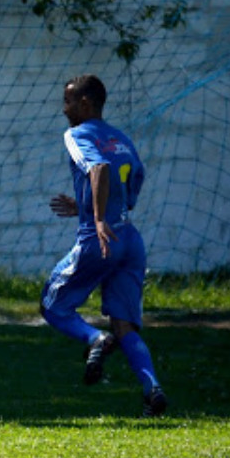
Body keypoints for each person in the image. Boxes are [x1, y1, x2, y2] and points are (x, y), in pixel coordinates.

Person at [41, 74, 167, 417]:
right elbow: (136, 175)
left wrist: (96, 219)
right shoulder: (120, 137)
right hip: (130, 238)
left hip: (101, 238)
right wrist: (93, 207)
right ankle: (151, 388)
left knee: (52, 305)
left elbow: (98, 168)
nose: (63, 108)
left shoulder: (76, 134)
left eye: (67, 101)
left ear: (85, 104)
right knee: (124, 325)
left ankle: (94, 339)